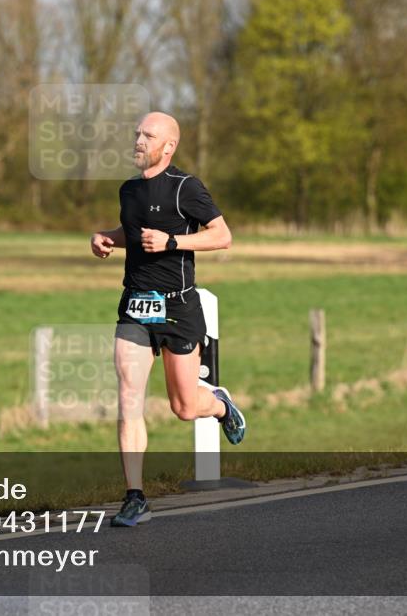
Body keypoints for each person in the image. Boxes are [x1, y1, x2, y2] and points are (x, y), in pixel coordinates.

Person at [90, 111, 246, 527]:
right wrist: (107, 236)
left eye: (148, 135)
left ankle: (218, 405)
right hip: (135, 305)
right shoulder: (128, 190)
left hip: (177, 307)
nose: (138, 140)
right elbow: (135, 232)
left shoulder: (185, 188)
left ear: (168, 146)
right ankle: (135, 497)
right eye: (137, 133)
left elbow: (222, 235)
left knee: (183, 406)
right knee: (128, 397)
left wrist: (173, 240)